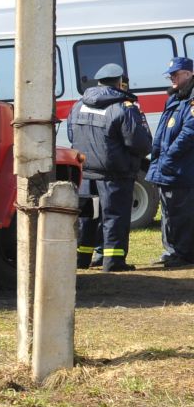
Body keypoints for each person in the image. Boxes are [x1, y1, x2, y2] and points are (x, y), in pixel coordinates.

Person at [65, 61, 154, 272]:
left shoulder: (79, 105)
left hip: (85, 173)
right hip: (115, 175)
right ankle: (113, 262)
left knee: (87, 216)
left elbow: (71, 134)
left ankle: (82, 258)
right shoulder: (123, 107)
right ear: (120, 83)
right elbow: (140, 143)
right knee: (114, 216)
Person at [145, 54, 193, 269]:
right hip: (169, 167)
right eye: (170, 75)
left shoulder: (190, 99)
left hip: (181, 168)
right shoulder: (176, 97)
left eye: (176, 74)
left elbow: (188, 132)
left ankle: (181, 253)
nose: (172, 78)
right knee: (168, 212)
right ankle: (171, 250)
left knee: (180, 214)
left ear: (189, 73)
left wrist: (170, 156)